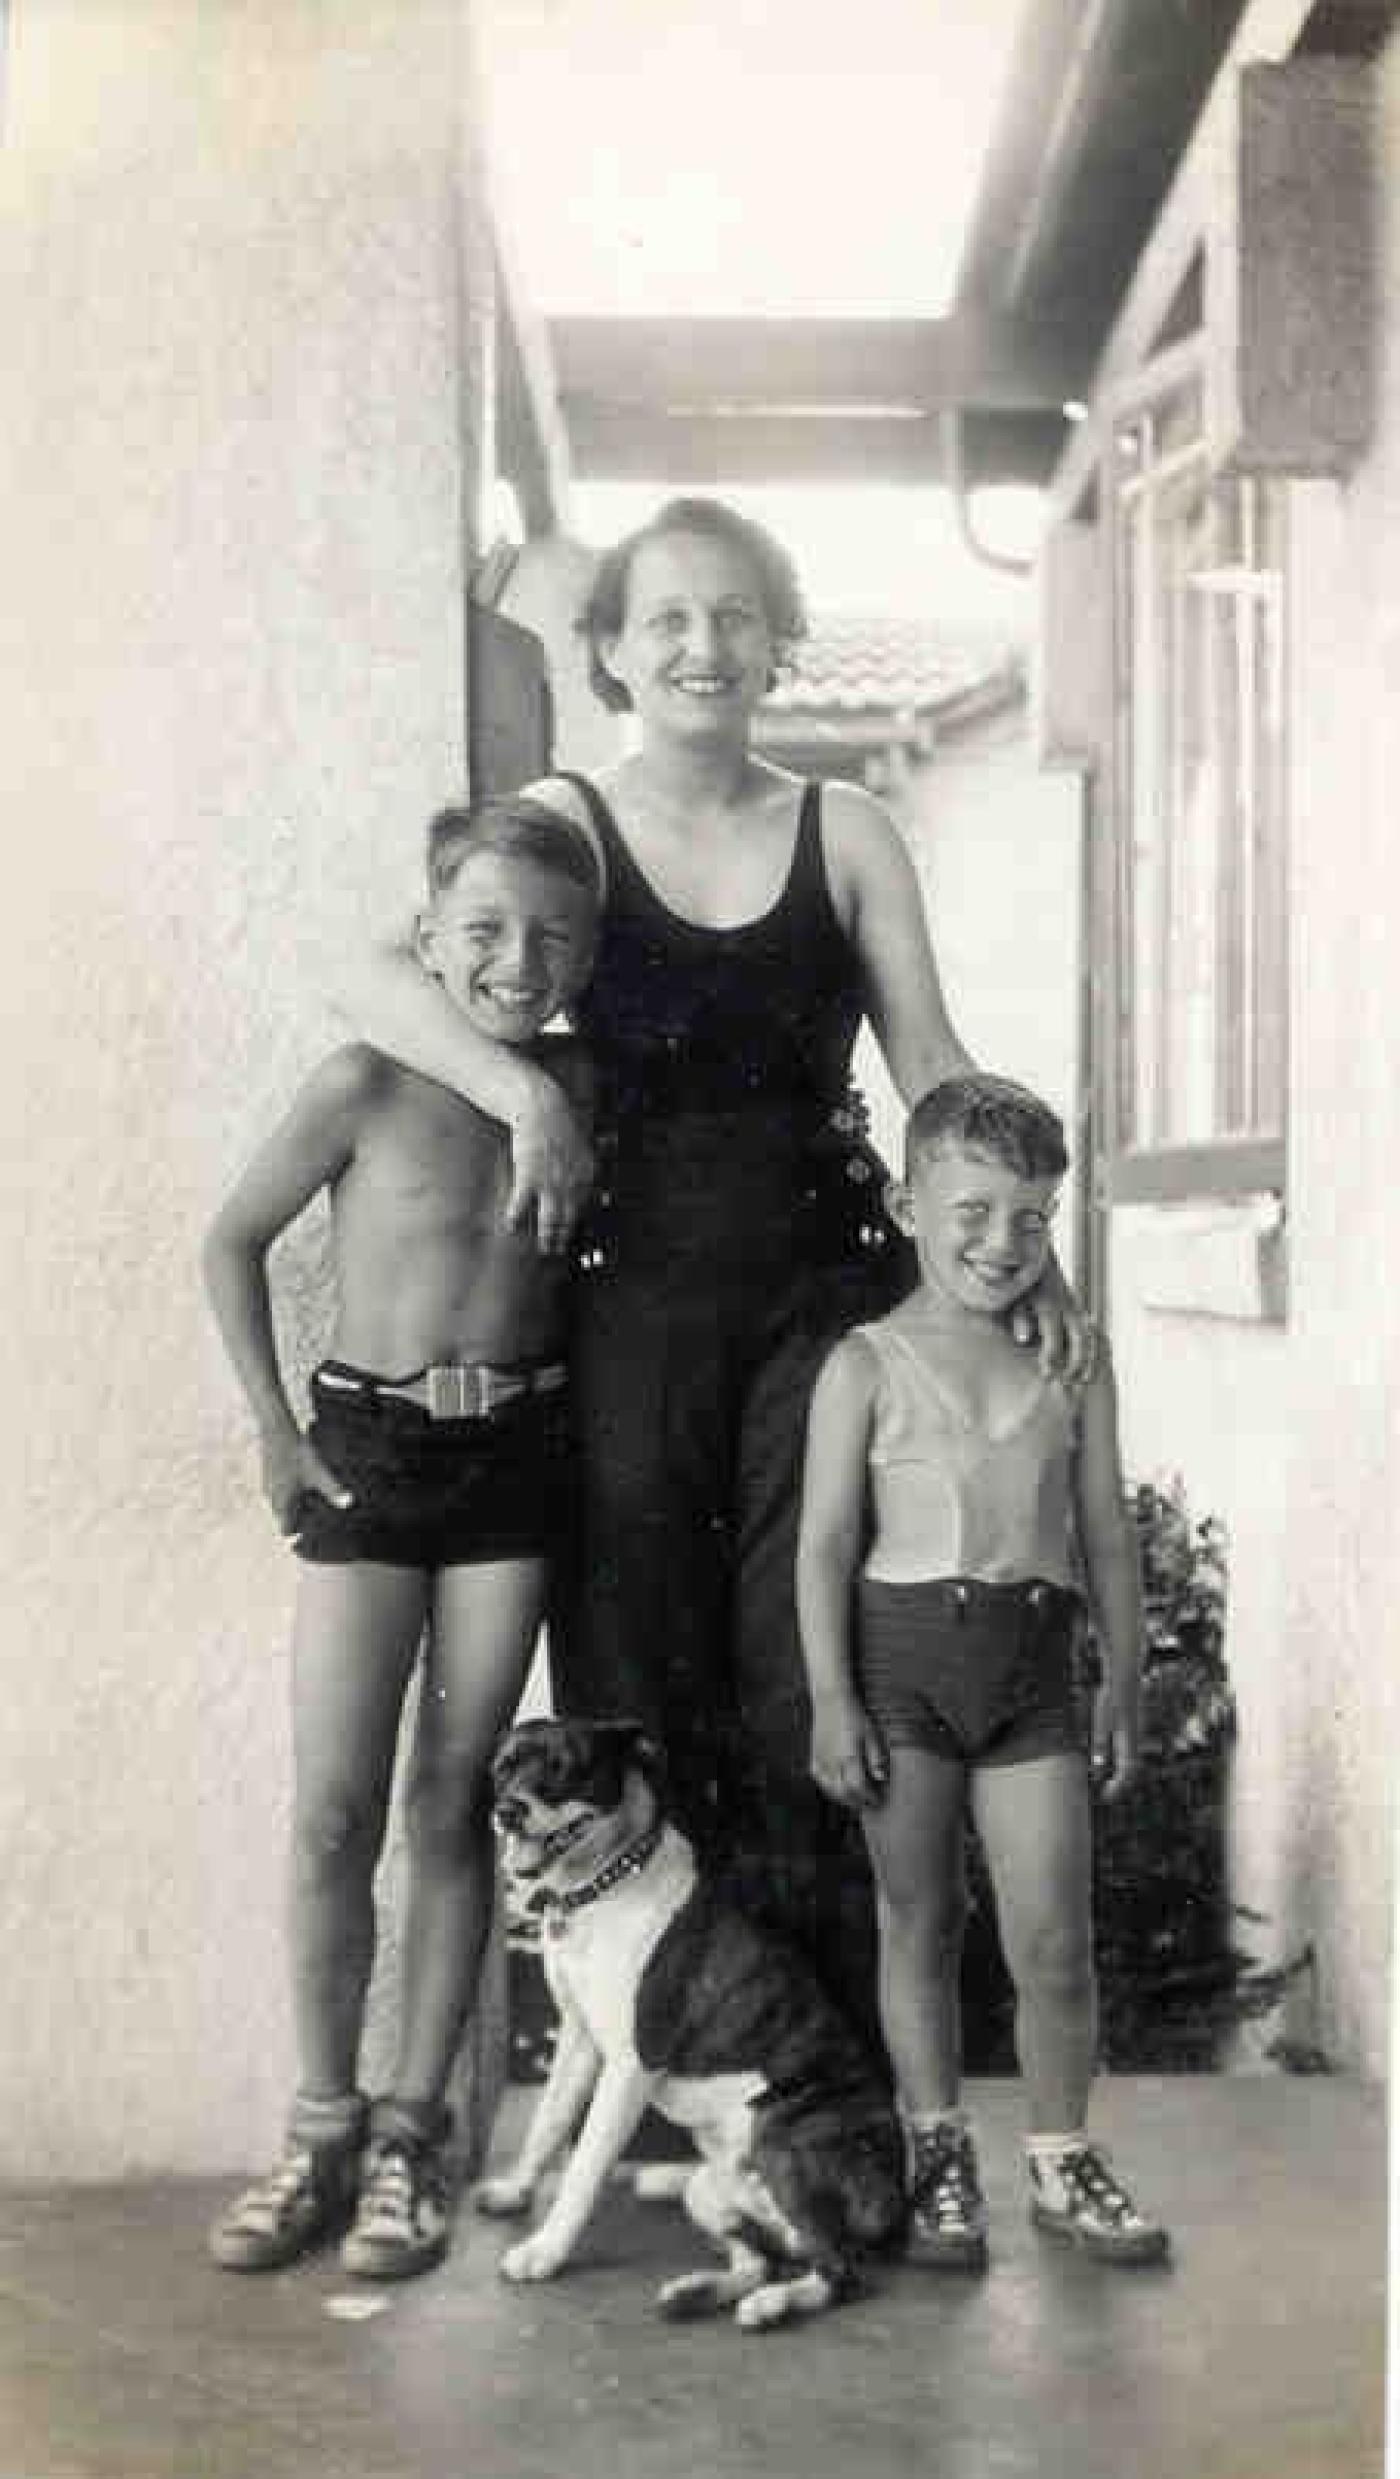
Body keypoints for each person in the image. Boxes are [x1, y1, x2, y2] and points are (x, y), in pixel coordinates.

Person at [334, 496, 1088, 2041]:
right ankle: (677, 2059)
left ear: (778, 641)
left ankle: (822, 2071)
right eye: (667, 616)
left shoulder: (846, 829)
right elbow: (373, 972)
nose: (704, 643)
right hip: (623, 1307)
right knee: (638, 1661)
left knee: (808, 1667)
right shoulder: (568, 817)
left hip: (824, 1301)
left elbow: (931, 1057)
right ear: (610, 650)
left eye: (737, 613)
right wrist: (525, 1093)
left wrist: (1020, 1240)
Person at [202, 797, 598, 2279]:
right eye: (482, 930)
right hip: (367, 1455)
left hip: (515, 1467)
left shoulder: (584, 1088)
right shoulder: (365, 1079)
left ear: (589, 956)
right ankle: (319, 2123)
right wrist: (273, 1425)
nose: (517, 961)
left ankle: (412, 2132)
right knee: (331, 1810)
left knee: (450, 1801)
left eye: (553, 937)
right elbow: (229, 1238)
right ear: (425, 939)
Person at [796, 1073, 1168, 2267]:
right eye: (969, 1212)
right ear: (907, 1207)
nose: (1001, 1243)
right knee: (918, 1919)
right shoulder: (863, 1364)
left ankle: (1059, 2155)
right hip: (900, 1671)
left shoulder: (1072, 1361)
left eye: (1030, 1217)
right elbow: (822, 1544)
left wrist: (1121, 1676)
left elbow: (1103, 1530)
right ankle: (937, 2149)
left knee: (1052, 1936)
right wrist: (831, 1698)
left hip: (1029, 1676)